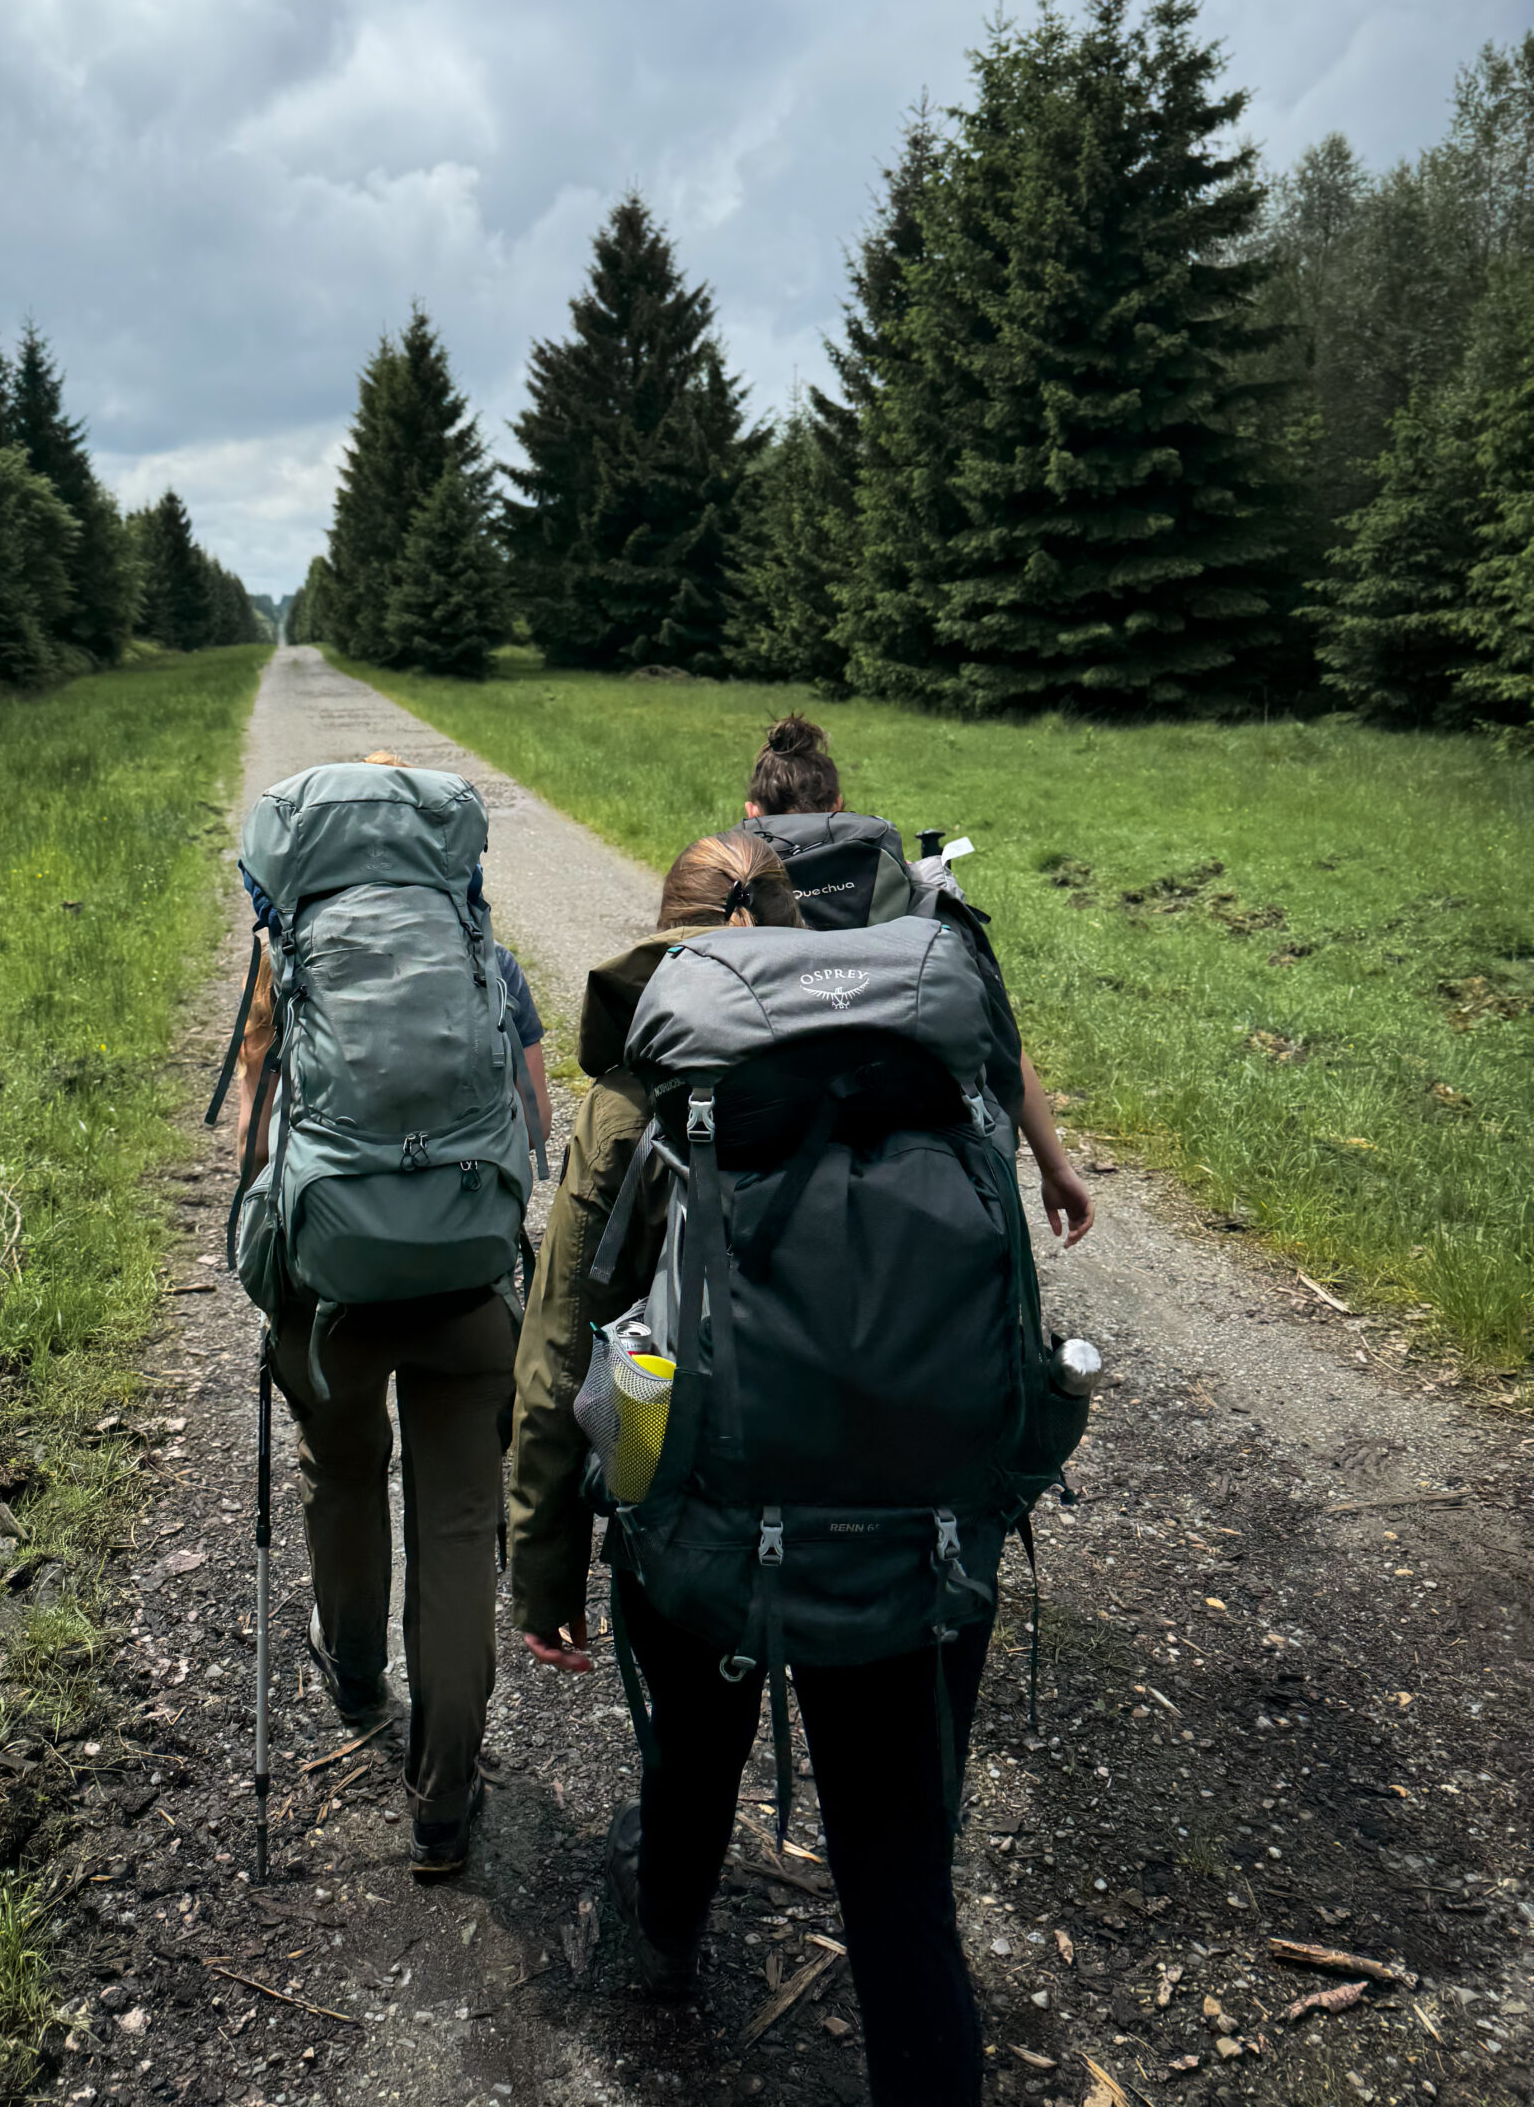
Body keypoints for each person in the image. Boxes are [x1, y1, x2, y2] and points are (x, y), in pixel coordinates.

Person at [505, 828, 1046, 2103]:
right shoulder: (924, 1065)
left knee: (689, 1768)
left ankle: (666, 1954)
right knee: (902, 1872)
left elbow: (557, 1347)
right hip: (919, 1541)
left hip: (705, 1530)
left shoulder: (641, 1093)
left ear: (670, 938)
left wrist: (545, 1567)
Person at [233, 751, 547, 1878]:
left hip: (335, 1290)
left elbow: (259, 1142)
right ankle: (447, 1797)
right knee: (460, 1525)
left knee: (345, 1468)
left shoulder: (291, 957)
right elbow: (535, 1128)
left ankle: (358, 1671)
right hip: (466, 1276)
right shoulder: (481, 956)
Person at [742, 712, 1094, 1251]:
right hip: (920, 1146)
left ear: (751, 814)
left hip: (759, 1142)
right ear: (839, 804)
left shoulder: (725, 899)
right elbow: (1000, 1042)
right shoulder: (921, 899)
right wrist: (1055, 1168)